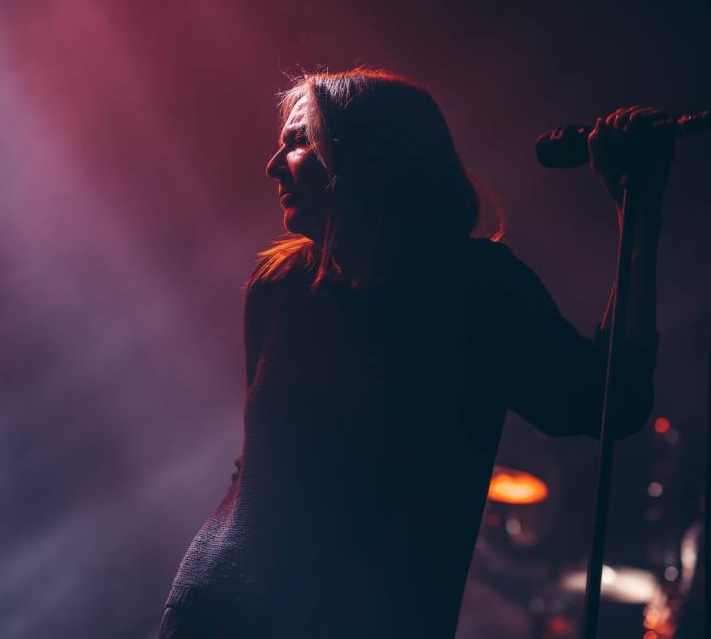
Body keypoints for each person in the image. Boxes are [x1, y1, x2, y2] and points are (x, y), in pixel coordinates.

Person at [157, 68, 671, 638]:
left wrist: (639, 209)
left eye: (298, 142)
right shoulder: (279, 286)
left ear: (364, 159)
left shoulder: (477, 288)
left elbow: (611, 399)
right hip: (219, 608)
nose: (273, 164)